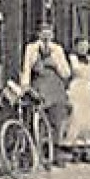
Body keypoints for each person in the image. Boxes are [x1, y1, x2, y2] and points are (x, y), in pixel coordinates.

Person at [19, 21, 72, 162]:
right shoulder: (31, 48)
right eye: (43, 31)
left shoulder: (57, 49)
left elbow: (66, 73)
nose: (46, 34)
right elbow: (26, 69)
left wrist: (56, 64)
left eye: (49, 31)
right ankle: (36, 153)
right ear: (38, 33)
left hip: (55, 86)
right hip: (39, 85)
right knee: (38, 119)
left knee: (57, 119)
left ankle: (55, 151)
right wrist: (25, 86)